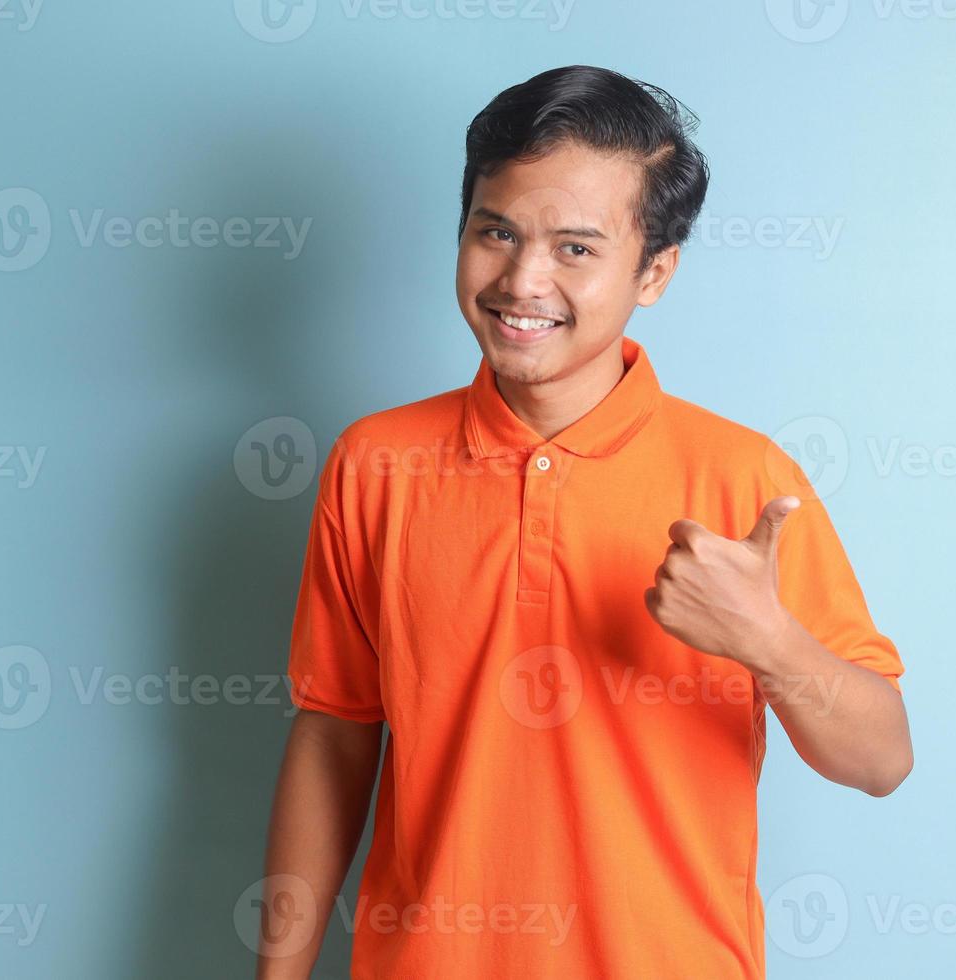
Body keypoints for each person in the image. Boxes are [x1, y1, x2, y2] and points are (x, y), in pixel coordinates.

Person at [255, 64, 912, 980]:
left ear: (655, 271)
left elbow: (882, 759)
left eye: (575, 248)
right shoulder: (377, 464)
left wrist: (769, 640)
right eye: (496, 232)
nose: (522, 279)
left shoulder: (742, 477)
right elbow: (333, 733)